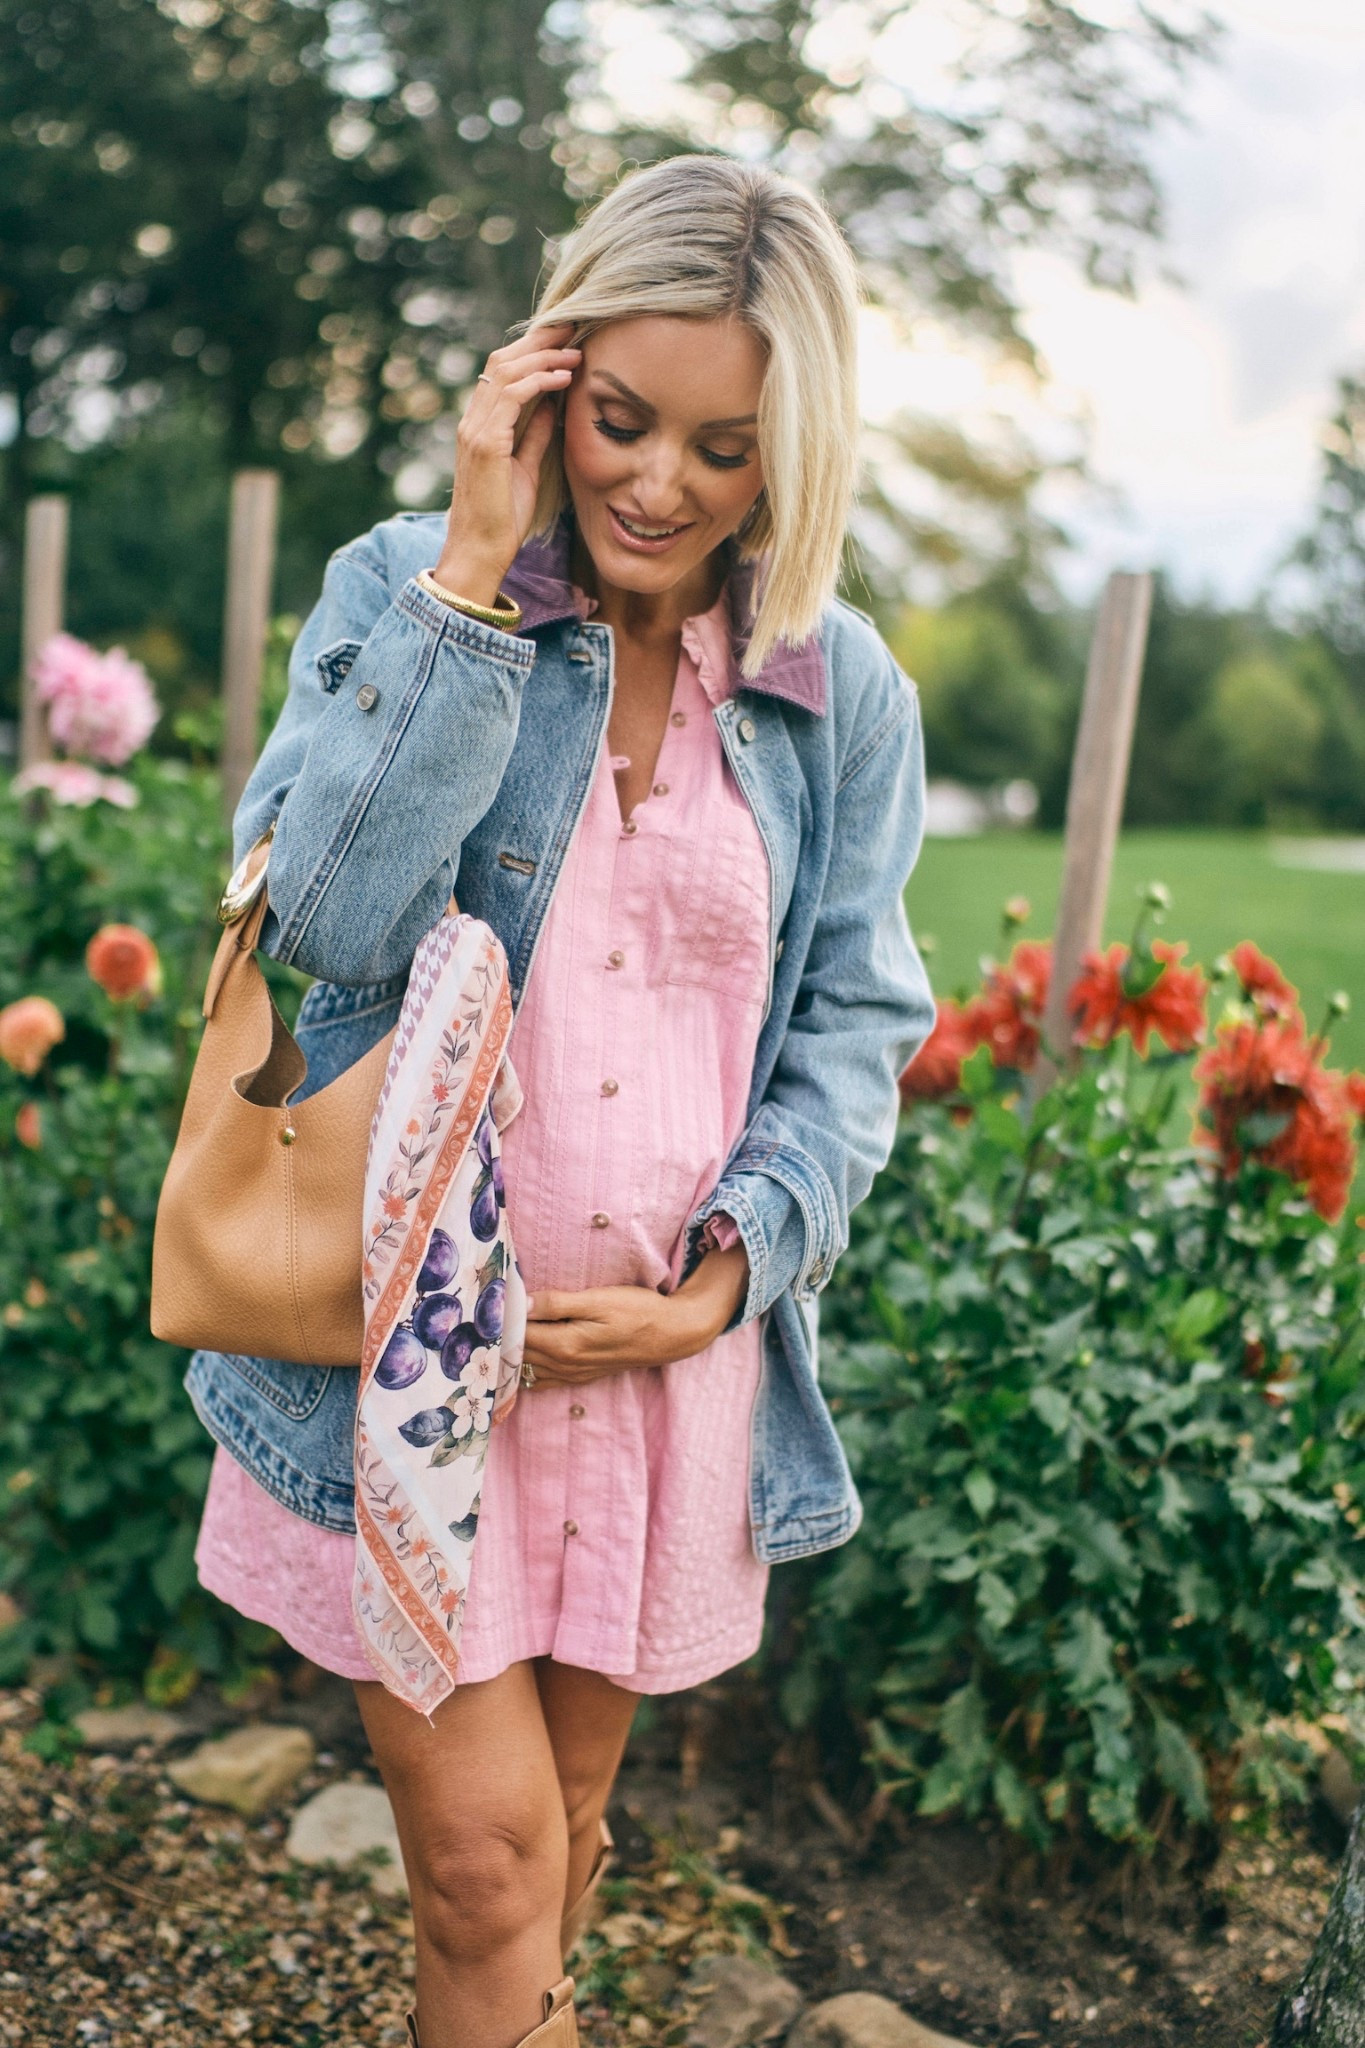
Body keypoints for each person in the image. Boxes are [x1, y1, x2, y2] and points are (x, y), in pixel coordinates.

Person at [185, 152, 934, 2048]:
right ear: (551, 370)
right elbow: (329, 917)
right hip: (413, 1369)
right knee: (492, 1862)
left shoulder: (831, 689)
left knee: (562, 1838)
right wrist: (465, 576)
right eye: (619, 419)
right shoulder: (399, 588)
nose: (659, 484)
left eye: (727, 448)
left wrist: (732, 1271)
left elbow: (856, 1019)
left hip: (656, 1378)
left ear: (795, 454)